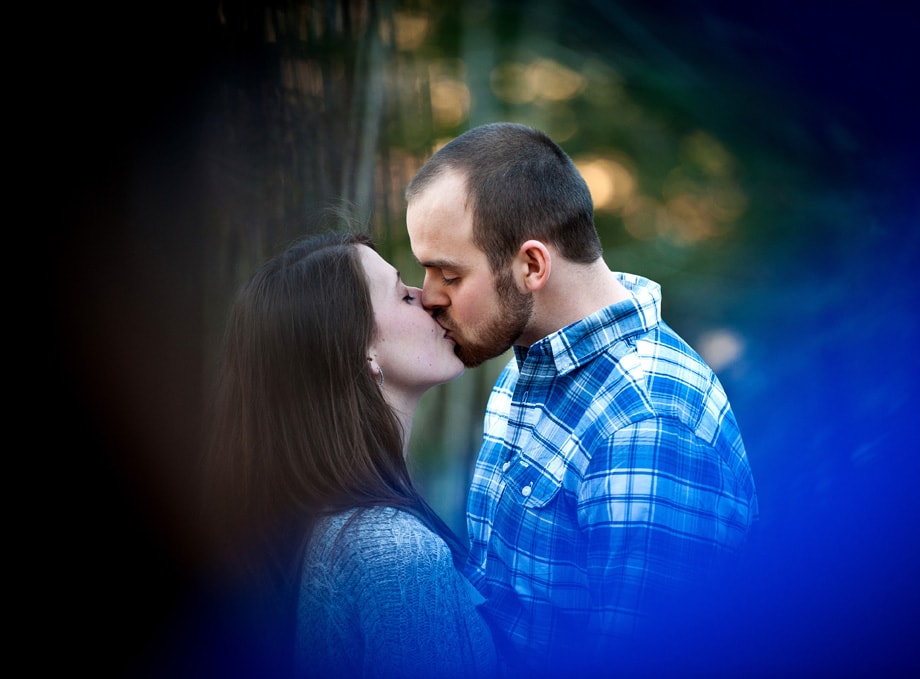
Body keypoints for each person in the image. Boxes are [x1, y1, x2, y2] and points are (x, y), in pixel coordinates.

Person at [404, 122, 759, 674]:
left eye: (448, 274)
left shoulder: (647, 425)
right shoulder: (532, 366)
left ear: (532, 265)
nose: (427, 297)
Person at [200, 229, 497, 678]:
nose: (431, 297)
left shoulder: (330, 524)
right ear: (361, 354)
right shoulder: (396, 553)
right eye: (403, 295)